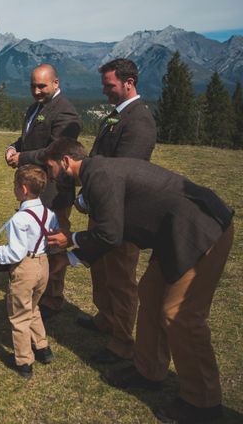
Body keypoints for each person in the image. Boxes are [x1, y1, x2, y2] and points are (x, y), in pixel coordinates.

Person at [44, 138, 234, 424]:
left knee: (180, 315)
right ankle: (149, 371)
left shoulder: (98, 174)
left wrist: (70, 241)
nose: (50, 176)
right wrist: (71, 257)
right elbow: (113, 228)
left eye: (50, 168)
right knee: (150, 293)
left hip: (201, 230)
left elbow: (109, 234)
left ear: (65, 161)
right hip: (172, 236)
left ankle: (203, 404)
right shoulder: (98, 173)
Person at [77, 58, 157, 364]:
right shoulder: (115, 115)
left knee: (121, 277)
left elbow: (125, 171)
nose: (104, 90)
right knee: (100, 267)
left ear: (129, 82)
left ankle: (122, 342)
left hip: (123, 212)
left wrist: (95, 196)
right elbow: (99, 159)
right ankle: (105, 317)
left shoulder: (139, 121)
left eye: (109, 85)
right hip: (101, 205)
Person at [5, 63, 81, 319]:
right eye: (33, 86)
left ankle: (52, 299)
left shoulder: (65, 113)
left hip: (54, 190)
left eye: (42, 86)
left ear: (56, 83)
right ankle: (36, 291)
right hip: (36, 188)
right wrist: (12, 148)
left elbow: (56, 150)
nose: (36, 91)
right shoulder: (35, 107)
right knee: (34, 240)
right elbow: (27, 138)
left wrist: (23, 156)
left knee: (53, 243)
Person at [0, 165, 58, 379]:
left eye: (14, 185)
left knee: (19, 316)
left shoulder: (19, 219)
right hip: (43, 265)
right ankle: (43, 348)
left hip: (25, 268)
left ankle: (24, 362)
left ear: (22, 189)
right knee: (32, 307)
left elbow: (15, 253)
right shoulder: (49, 213)